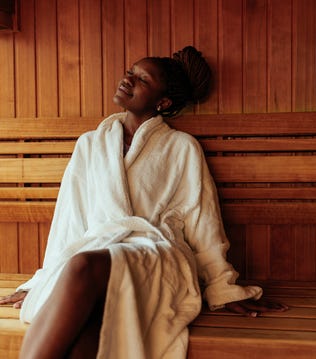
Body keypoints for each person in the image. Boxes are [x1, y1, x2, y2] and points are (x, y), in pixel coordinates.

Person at [0, 46, 287, 359]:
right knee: (87, 330)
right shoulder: (90, 144)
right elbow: (70, 219)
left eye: (142, 79)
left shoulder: (181, 148)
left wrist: (222, 286)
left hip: (156, 256)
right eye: (130, 72)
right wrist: (45, 279)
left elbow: (202, 220)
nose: (128, 80)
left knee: (82, 265)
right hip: (100, 256)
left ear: (162, 102)